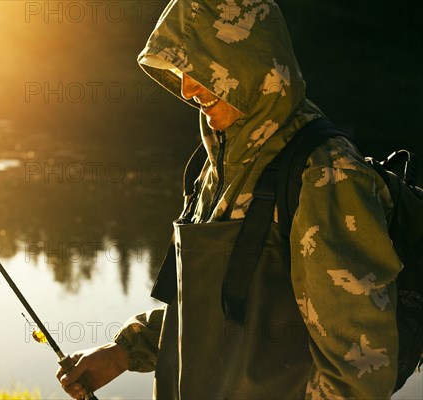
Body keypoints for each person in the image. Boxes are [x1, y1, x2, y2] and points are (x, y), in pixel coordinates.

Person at [57, 1, 402, 398]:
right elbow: (215, 311)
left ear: (246, 61)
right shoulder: (217, 159)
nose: (187, 88)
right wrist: (122, 353)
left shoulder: (327, 174)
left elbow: (357, 375)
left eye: (201, 68)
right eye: (182, 71)